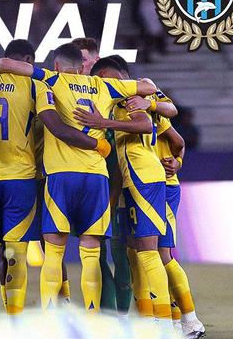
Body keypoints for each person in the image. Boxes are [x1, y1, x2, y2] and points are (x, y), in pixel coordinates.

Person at [0, 39, 109, 324]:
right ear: (28, 61)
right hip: (22, 179)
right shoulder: (36, 86)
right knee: (16, 253)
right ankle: (15, 322)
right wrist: (96, 142)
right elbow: (55, 126)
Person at [0, 43, 156, 313]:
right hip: (96, 177)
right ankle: (93, 318)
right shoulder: (104, 86)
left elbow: (6, 64)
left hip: (61, 176)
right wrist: (148, 102)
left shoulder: (52, 79)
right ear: (81, 67)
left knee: (54, 251)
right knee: (91, 252)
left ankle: (50, 319)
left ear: (56, 65)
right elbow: (147, 86)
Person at [73, 58, 171, 322]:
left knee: (149, 253)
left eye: (103, 79)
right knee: (137, 252)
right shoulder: (120, 102)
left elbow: (145, 124)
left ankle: (166, 324)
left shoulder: (129, 98)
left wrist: (103, 123)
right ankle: (150, 319)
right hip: (133, 179)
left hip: (145, 177)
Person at [155, 114, 205, 339]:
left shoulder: (150, 104)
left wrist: (178, 162)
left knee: (161, 254)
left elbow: (179, 142)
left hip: (162, 185)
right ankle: (175, 321)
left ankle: (190, 319)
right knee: (141, 256)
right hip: (138, 184)